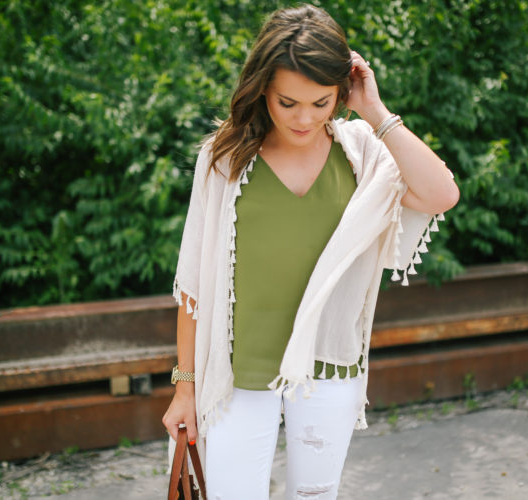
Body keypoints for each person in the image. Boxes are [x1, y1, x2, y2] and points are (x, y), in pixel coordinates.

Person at [162, 4, 459, 499]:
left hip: (328, 369)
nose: (304, 118)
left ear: (342, 93)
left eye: (321, 103)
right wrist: (185, 387)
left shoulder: (361, 153)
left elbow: (440, 194)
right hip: (236, 375)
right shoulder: (225, 158)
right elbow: (193, 282)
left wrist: (375, 111)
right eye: (287, 102)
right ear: (262, 89)